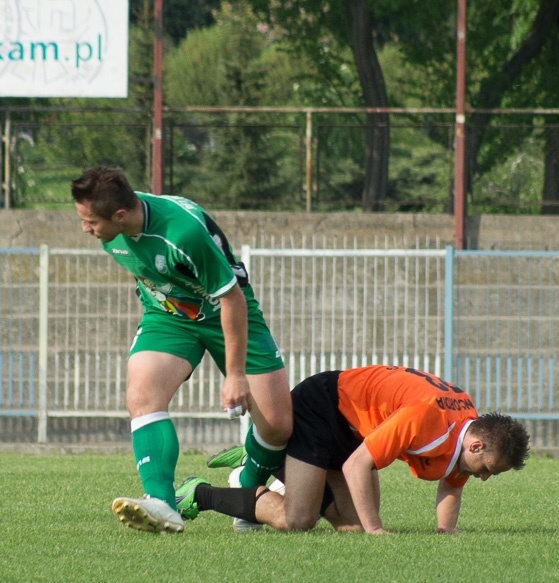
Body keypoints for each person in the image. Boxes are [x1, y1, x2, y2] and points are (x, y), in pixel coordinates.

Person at [71, 166, 293, 533]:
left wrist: (235, 375)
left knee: (279, 427)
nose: (85, 229)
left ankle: (247, 478)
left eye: (90, 221)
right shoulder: (110, 231)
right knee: (142, 393)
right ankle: (162, 503)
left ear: (121, 215)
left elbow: (232, 299)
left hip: (229, 311)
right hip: (168, 315)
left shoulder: (182, 233)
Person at [175, 365, 530, 533]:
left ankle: (281, 464)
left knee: (353, 528)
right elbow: (357, 466)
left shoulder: (467, 428)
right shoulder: (425, 417)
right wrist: (378, 532)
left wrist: (445, 532)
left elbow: (452, 482)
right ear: (477, 444)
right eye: (487, 469)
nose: (482, 478)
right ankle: (199, 494)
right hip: (323, 407)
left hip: (355, 430)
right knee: (298, 520)